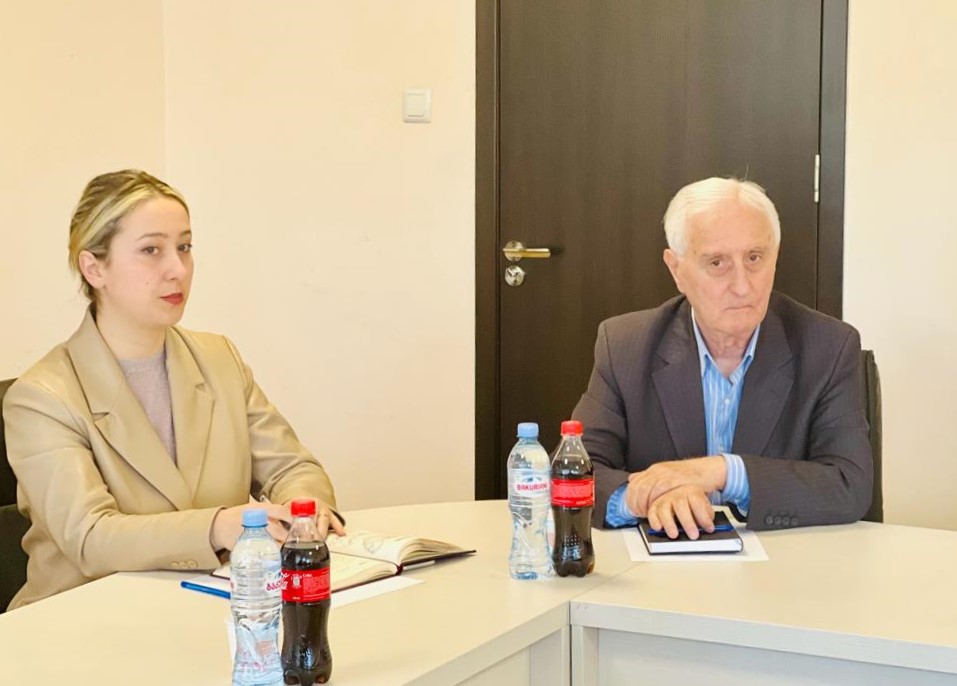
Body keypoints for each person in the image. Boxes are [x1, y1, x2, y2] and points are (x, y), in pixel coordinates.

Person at [2, 170, 344, 609]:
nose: (178, 270)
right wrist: (217, 527)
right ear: (94, 268)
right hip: (82, 620)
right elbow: (90, 537)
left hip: (212, 608)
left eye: (184, 247)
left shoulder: (219, 358)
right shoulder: (42, 396)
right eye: (151, 250)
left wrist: (304, 507)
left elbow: (291, 467)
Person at [573, 177, 873, 539]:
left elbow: (849, 484)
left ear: (775, 257)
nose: (743, 286)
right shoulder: (626, 346)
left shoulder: (828, 347)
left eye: (754, 258)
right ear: (676, 269)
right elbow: (576, 470)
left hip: (783, 564)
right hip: (660, 564)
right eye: (717, 263)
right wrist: (646, 496)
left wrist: (720, 472)